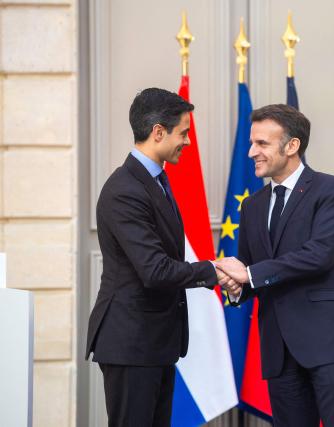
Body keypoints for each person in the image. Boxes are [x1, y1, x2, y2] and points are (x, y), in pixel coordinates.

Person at [216, 104, 334, 427]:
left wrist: (248, 274)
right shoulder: (252, 206)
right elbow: (250, 269)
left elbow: (319, 254)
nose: (251, 153)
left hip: (330, 343)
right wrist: (234, 285)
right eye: (251, 143)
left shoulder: (331, 190)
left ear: (292, 146)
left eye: (262, 144)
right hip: (278, 349)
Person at [85, 88, 222, 427]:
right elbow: (154, 270)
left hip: (153, 342)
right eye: (183, 132)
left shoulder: (155, 180)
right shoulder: (125, 189)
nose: (188, 142)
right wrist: (214, 270)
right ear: (158, 132)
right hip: (131, 342)